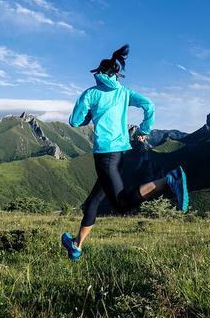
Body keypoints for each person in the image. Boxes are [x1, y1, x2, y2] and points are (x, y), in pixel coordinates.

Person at [61, 44, 188, 261]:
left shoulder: (90, 94)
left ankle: (168, 180)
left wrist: (89, 116)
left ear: (98, 74)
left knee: (121, 203)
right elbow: (149, 105)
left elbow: (74, 121)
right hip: (120, 154)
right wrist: (144, 130)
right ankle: (76, 246)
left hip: (105, 155)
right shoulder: (124, 92)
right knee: (92, 202)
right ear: (117, 75)